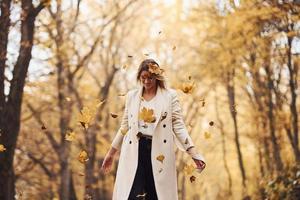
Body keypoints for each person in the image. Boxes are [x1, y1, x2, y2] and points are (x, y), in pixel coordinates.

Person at [101, 59, 206, 200]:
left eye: (150, 78)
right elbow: (124, 127)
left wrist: (194, 154)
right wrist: (111, 153)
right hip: (135, 151)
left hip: (159, 152)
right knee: (132, 194)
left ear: (157, 77)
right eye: (143, 77)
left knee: (155, 195)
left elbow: (179, 126)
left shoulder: (170, 96)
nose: (146, 81)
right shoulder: (132, 96)